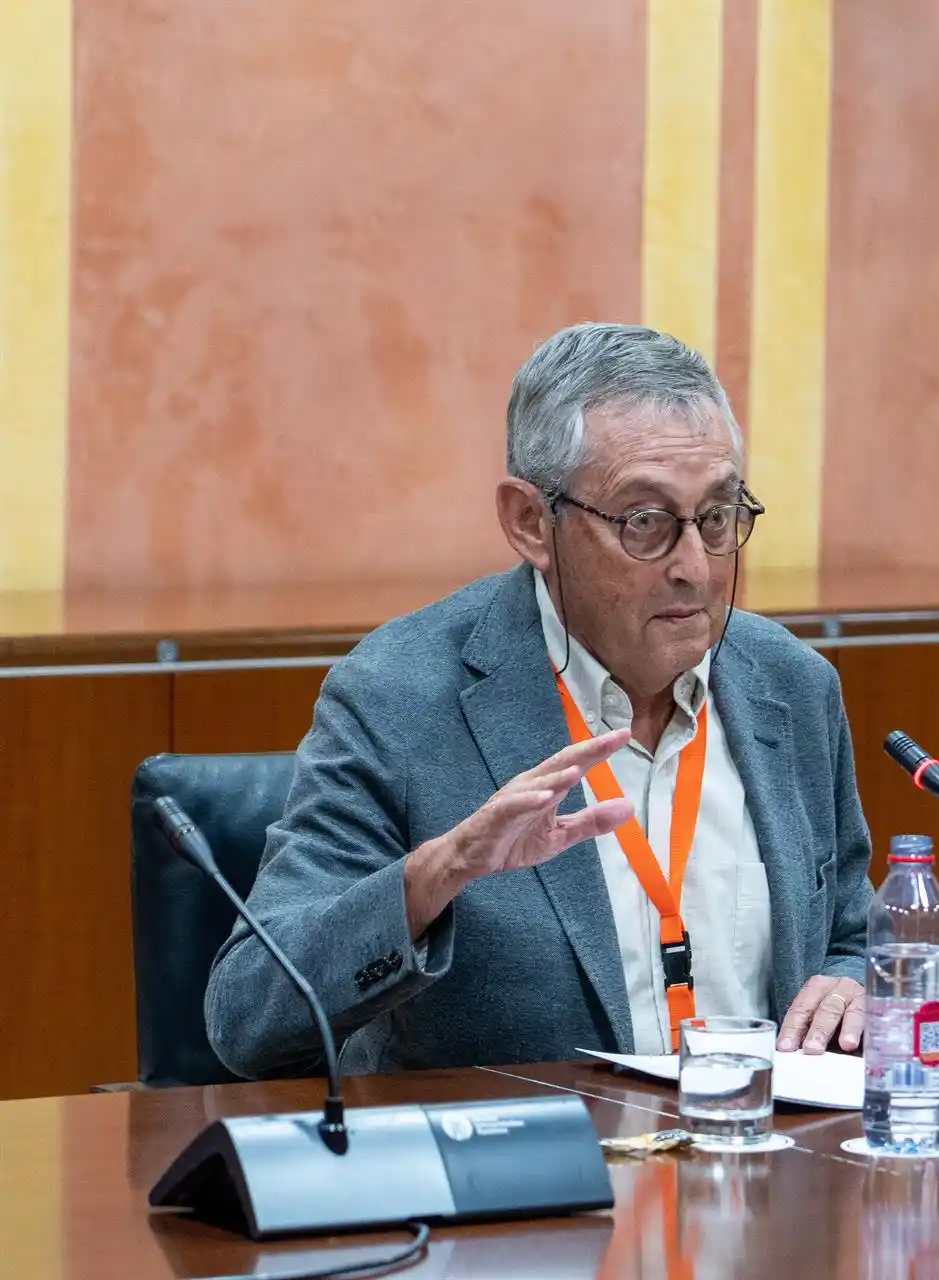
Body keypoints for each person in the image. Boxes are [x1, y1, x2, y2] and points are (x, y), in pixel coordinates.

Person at [204, 323, 874, 1077]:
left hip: (759, 1167)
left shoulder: (789, 686)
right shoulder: (403, 697)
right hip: (529, 1178)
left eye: (718, 518)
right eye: (646, 522)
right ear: (531, 523)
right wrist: (440, 873)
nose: (697, 567)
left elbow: (857, 933)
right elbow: (248, 1013)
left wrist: (853, 984)